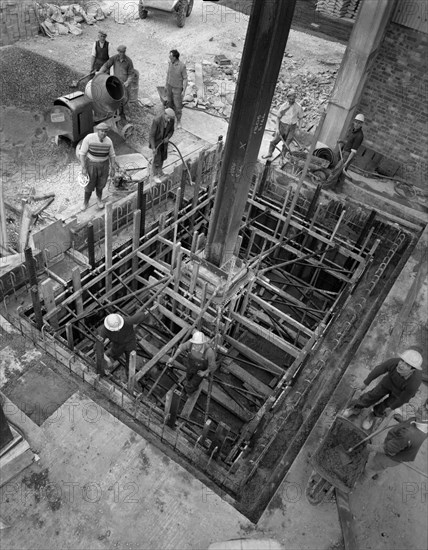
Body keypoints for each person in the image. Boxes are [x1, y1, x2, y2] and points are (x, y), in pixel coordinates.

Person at [343, 349, 423, 430]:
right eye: (402, 361)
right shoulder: (394, 363)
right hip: (388, 382)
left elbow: (403, 399)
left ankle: (372, 415)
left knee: (386, 406)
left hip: (400, 392)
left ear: (412, 370)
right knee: (373, 394)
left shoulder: (414, 383)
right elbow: (379, 369)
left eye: (407, 365)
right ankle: (357, 408)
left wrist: (392, 408)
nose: (401, 365)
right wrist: (365, 383)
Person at [362, 402, 428, 483]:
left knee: (373, 467)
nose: (421, 408)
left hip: (390, 456)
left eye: (426, 410)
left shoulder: (408, 435)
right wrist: (402, 421)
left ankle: (361, 480)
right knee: (381, 466)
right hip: (399, 449)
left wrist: (370, 447)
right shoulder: (422, 422)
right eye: (424, 405)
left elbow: (387, 449)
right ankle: (378, 472)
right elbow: (410, 426)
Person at [79, 122, 116, 210]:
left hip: (104, 165)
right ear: (97, 131)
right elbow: (82, 154)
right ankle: (85, 202)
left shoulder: (109, 141)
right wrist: (83, 167)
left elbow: (112, 155)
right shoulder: (89, 138)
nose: (103, 133)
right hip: (91, 164)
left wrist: (113, 168)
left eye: (105, 132)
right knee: (89, 185)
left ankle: (99, 200)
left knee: (101, 184)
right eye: (101, 131)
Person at [325, 113, 365, 191]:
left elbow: (353, 151)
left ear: (361, 124)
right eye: (356, 122)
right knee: (342, 173)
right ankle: (338, 189)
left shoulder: (359, 136)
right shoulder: (354, 131)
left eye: (359, 123)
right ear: (354, 121)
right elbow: (350, 142)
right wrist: (342, 141)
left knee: (336, 170)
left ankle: (325, 186)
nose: (356, 124)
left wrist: (346, 162)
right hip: (344, 152)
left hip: (348, 155)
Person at [262, 89, 304, 160]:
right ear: (287, 98)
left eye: (293, 99)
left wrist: (299, 129)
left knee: (286, 144)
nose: (291, 100)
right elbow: (278, 118)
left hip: (292, 127)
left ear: (295, 99)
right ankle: (269, 153)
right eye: (290, 99)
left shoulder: (298, 107)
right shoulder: (283, 106)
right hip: (282, 126)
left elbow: (301, 118)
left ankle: (282, 157)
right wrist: (277, 129)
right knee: (274, 141)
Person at [98, 45, 135, 120]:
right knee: (116, 97)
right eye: (120, 52)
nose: (121, 54)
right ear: (118, 52)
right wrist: (100, 72)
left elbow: (131, 73)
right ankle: (116, 112)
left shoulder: (128, 61)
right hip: (116, 82)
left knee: (125, 99)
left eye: (123, 52)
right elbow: (106, 65)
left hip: (124, 84)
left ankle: (126, 114)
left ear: (125, 52)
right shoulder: (114, 58)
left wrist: (128, 82)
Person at [149, 108, 175, 183]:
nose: (169, 120)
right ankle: (154, 175)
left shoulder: (171, 120)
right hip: (156, 142)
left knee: (163, 156)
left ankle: (160, 171)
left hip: (164, 142)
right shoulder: (156, 120)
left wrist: (168, 138)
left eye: (170, 118)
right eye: (168, 118)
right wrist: (154, 148)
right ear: (164, 114)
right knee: (156, 158)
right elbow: (152, 135)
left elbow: (171, 131)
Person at [165, 49, 188, 129]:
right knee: (169, 103)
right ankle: (170, 119)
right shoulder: (170, 63)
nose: (169, 57)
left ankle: (178, 121)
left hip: (177, 89)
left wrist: (183, 91)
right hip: (169, 86)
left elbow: (185, 79)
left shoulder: (182, 66)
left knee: (178, 106)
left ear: (175, 57)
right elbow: (168, 74)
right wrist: (166, 85)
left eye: (170, 56)